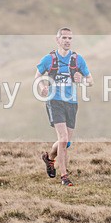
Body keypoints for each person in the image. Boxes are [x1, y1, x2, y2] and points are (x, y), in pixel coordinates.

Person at [35, 27, 93, 186]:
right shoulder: (49, 59)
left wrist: (81, 79)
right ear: (57, 39)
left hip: (72, 103)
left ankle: (49, 158)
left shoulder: (77, 59)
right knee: (63, 138)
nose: (67, 41)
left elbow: (90, 80)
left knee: (66, 143)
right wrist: (42, 88)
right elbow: (37, 77)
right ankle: (64, 177)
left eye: (70, 38)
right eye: (64, 38)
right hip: (55, 101)